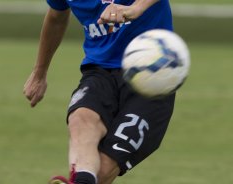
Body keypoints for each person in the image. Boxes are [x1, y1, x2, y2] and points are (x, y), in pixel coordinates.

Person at [23, 0, 175, 183]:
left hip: (151, 74)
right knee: (80, 118)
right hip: (99, 70)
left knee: (103, 170)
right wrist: (39, 73)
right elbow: (56, 17)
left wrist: (136, 8)